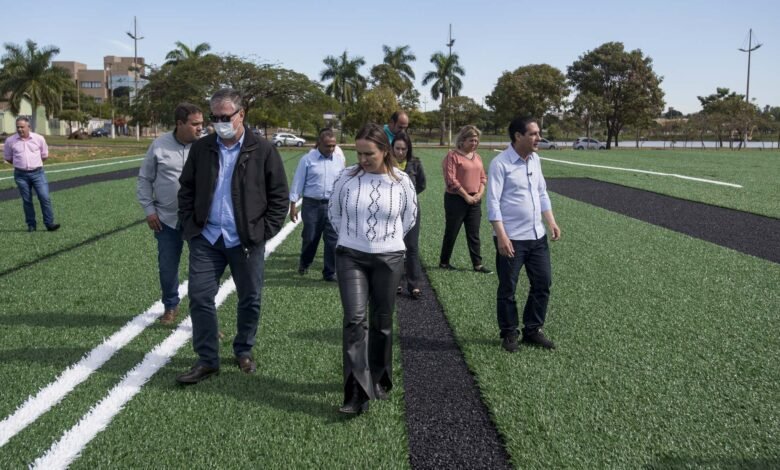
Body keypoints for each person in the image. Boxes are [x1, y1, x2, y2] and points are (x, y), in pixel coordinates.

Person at [175, 88, 289, 384]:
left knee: (250, 298)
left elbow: (279, 197)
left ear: (242, 114)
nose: (220, 122)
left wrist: (263, 232)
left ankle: (244, 349)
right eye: (215, 117)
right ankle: (207, 359)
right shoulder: (202, 149)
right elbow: (186, 188)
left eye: (226, 116)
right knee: (199, 297)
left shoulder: (262, 149)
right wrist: (191, 227)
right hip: (207, 238)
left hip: (246, 241)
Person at [329, 123, 417, 414]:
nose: (363, 159)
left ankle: (379, 378)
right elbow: (334, 213)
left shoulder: (402, 181)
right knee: (354, 320)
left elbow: (409, 217)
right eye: (359, 153)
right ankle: (356, 392)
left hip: (389, 258)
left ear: (385, 150)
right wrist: (353, 237)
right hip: (350, 256)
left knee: (382, 321)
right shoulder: (346, 177)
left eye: (369, 153)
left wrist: (387, 241)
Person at [487, 117, 561, 353]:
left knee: (543, 283)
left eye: (538, 133)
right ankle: (509, 333)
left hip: (536, 236)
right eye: (533, 134)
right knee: (508, 287)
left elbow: (541, 193)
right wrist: (502, 236)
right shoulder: (500, 164)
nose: (538, 138)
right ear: (518, 136)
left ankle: (532, 330)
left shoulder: (535, 159)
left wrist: (550, 221)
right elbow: (493, 203)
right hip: (512, 239)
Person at [136, 103, 203, 325]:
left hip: (198, 221)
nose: (200, 128)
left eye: (201, 123)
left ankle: (203, 318)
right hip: (166, 220)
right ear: (180, 123)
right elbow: (145, 179)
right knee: (167, 268)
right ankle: (170, 307)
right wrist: (149, 210)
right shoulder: (159, 145)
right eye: (195, 124)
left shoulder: (205, 147)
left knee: (202, 272)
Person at [288, 128, 346, 282]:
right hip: (311, 205)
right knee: (310, 237)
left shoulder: (339, 160)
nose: (331, 149)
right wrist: (293, 205)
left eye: (334, 145)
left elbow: (342, 184)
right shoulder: (308, 159)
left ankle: (329, 272)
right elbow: (298, 182)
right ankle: (305, 262)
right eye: (328, 146)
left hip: (333, 205)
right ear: (319, 143)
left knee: (332, 239)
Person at [439, 125, 491, 274]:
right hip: (456, 200)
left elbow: (483, 177)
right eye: (471, 140)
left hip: (475, 200)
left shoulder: (477, 156)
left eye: (476, 140)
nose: (474, 143)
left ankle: (477, 264)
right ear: (462, 141)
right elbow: (451, 179)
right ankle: (444, 262)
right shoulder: (452, 156)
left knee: (474, 233)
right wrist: (465, 196)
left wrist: (479, 194)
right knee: (452, 231)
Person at [3, 117, 60, 232]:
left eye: (22, 127)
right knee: (27, 200)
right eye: (18, 127)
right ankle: (31, 225)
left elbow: (44, 155)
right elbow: (8, 158)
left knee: (44, 197)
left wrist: (34, 165)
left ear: (29, 127)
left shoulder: (39, 139)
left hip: (38, 173)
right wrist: (21, 164)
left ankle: (49, 224)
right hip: (20, 175)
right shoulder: (10, 141)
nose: (19, 129)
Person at [392, 131, 426, 299]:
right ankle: (395, 282)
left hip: (412, 210)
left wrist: (409, 197)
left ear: (408, 149)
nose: (400, 152)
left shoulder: (415, 164)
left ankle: (414, 285)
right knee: (394, 247)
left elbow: (422, 184)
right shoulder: (385, 164)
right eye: (397, 148)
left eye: (403, 149)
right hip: (391, 211)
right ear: (391, 148)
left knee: (411, 247)